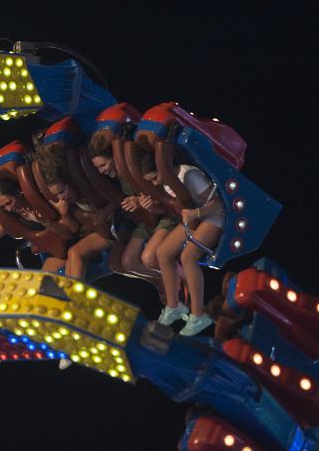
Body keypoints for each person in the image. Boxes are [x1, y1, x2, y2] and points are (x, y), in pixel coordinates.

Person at [143, 154, 226, 336]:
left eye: (155, 178)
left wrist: (197, 213)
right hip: (195, 219)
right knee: (163, 253)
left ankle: (198, 315)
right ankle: (174, 306)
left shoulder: (188, 175)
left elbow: (218, 204)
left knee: (188, 256)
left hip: (213, 217)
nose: (155, 183)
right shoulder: (167, 183)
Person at [87, 130, 176, 278]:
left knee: (149, 258)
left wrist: (138, 201)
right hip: (147, 218)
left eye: (103, 165)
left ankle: (178, 278)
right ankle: (168, 280)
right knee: (128, 262)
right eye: (98, 168)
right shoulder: (119, 177)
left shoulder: (136, 168)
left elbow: (160, 196)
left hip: (163, 214)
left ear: (114, 158)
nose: (102, 171)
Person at [35, 144, 115, 280]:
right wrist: (64, 214)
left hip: (111, 229)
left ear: (70, 183)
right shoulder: (70, 203)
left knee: (75, 252)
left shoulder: (89, 190)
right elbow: (73, 229)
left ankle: (72, 292)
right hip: (95, 231)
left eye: (62, 191)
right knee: (50, 264)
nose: (61, 197)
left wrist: (102, 215)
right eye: (57, 195)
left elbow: (115, 201)